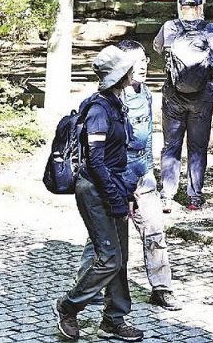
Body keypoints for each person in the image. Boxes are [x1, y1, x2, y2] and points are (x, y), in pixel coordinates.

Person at [76, 40, 181, 313]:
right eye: (137, 62)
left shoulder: (145, 93)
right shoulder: (107, 101)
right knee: (102, 238)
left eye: (145, 59)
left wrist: (148, 170)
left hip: (141, 175)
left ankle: (162, 288)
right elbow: (102, 152)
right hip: (116, 178)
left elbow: (146, 138)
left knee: (154, 230)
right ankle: (88, 287)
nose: (144, 65)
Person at [54, 45, 144, 342]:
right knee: (108, 258)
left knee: (120, 258)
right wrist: (116, 197)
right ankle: (68, 307)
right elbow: (96, 161)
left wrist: (125, 195)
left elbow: (119, 158)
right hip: (94, 191)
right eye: (130, 69)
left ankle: (113, 320)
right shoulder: (98, 109)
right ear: (121, 75)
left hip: (113, 188)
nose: (135, 72)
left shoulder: (116, 103)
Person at [154, 0, 213, 212]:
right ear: (200, 7)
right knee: (197, 148)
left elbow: (158, 49)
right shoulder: (212, 29)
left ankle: (167, 195)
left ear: (180, 7)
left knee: (171, 146)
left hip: (173, 97)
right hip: (202, 98)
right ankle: (194, 197)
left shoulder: (169, 28)